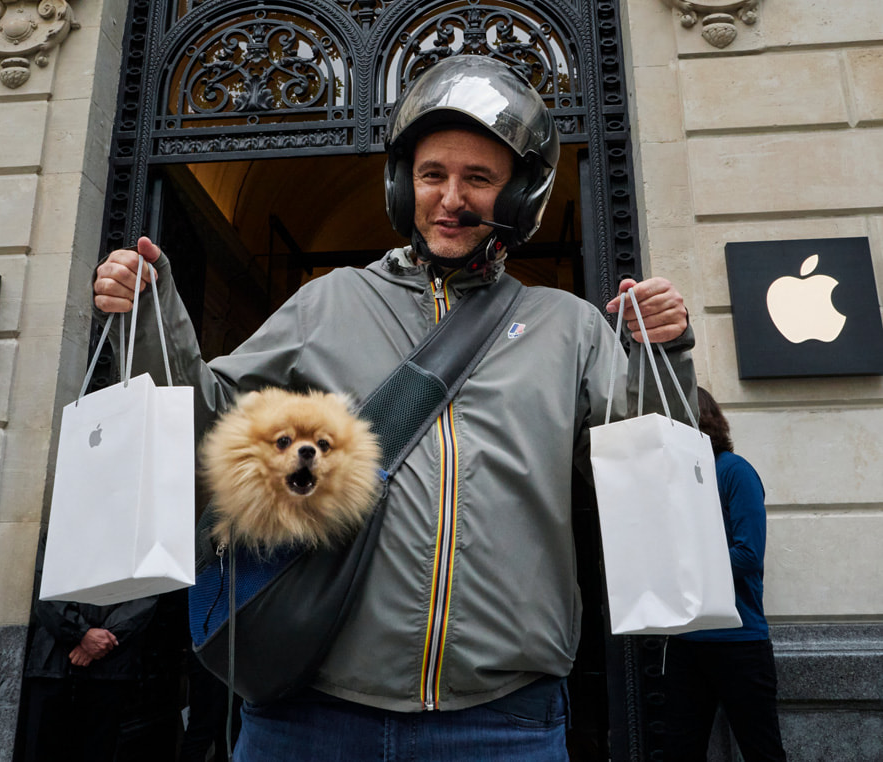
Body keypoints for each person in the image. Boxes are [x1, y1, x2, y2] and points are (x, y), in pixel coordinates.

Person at [92, 55, 697, 761]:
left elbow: (646, 469)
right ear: (402, 184)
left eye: (479, 179)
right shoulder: (329, 298)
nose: (450, 198)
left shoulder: (570, 326)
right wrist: (151, 317)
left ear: (520, 195)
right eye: (432, 175)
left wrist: (668, 351)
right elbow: (209, 420)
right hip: (310, 714)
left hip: (505, 722)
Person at [662, 387, 787, 762]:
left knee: (762, 751)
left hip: (739, 644)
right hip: (686, 643)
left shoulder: (735, 471)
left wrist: (684, 568)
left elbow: (748, 554)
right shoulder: (673, 480)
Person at [22, 540, 158, 762]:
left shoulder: (138, 533)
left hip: (108, 667)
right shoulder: (61, 526)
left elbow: (148, 592)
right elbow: (47, 586)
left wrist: (99, 639)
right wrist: (81, 634)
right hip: (55, 662)